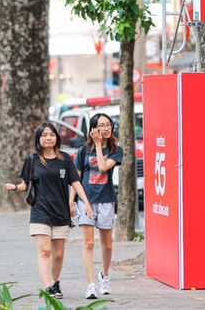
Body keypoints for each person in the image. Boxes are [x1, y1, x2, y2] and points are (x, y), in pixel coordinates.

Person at [3, 122, 95, 300]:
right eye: (44, 135)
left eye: (51, 135)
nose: (48, 138)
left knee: (58, 255)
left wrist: (86, 203)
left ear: (56, 138)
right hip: (40, 211)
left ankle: (55, 282)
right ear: (39, 138)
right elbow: (25, 185)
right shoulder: (33, 160)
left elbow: (75, 182)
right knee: (45, 251)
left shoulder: (64, 159)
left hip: (60, 212)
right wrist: (14, 187)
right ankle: (48, 288)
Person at [72, 113, 123, 299]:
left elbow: (102, 167)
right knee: (88, 243)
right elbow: (75, 178)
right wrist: (71, 201)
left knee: (107, 245)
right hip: (86, 200)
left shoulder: (116, 150)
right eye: (101, 125)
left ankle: (105, 275)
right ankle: (91, 284)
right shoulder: (83, 150)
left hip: (106, 199)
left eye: (108, 124)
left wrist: (100, 145)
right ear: (93, 129)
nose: (106, 128)